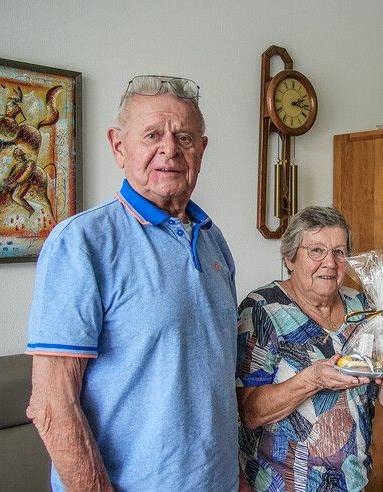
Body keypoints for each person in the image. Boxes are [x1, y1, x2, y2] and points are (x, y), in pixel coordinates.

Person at [25, 75, 239, 491]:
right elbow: (52, 402)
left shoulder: (214, 240)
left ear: (202, 149)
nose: (170, 150)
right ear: (118, 146)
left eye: (185, 137)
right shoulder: (82, 243)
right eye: (153, 135)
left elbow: (216, 376)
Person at [236, 205, 383, 491]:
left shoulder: (363, 308)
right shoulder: (262, 309)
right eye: (316, 250)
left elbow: (378, 391)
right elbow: (250, 412)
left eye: (339, 252)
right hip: (282, 484)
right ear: (290, 258)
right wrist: (312, 379)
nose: (330, 262)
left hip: (353, 480)